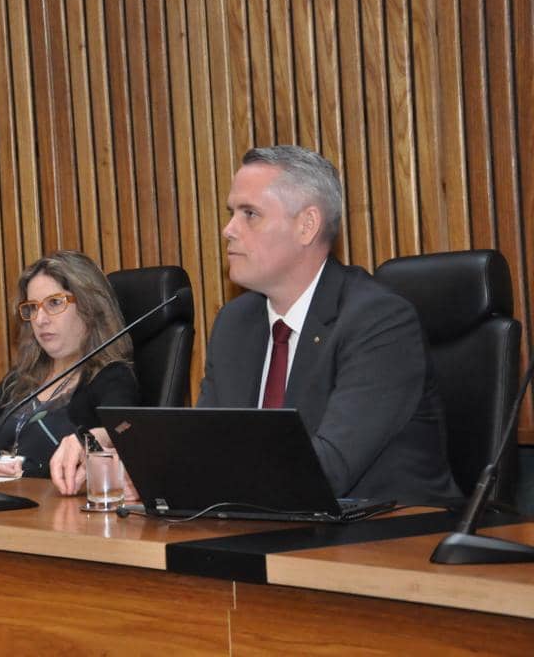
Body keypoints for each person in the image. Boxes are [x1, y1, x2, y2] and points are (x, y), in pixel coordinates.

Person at [53, 145, 459, 503]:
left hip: (393, 543)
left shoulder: (379, 322)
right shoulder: (236, 322)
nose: (228, 230)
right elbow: (205, 442)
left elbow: (325, 471)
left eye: (250, 214)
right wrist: (116, 443)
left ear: (307, 225)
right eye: (232, 213)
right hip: (278, 532)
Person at [0, 251, 139, 478]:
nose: (40, 319)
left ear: (91, 308)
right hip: (0, 503)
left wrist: (92, 439)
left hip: (57, 509)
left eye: (54, 303)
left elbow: (123, 428)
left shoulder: (110, 376)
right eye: (33, 307)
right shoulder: (21, 378)